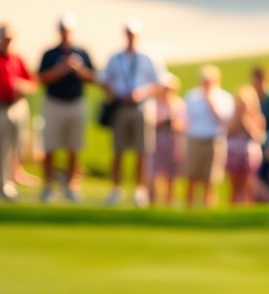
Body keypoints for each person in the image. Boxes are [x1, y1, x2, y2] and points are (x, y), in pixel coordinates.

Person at [99, 18, 166, 207]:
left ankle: (140, 190)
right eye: (128, 33)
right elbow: (104, 80)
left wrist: (142, 92)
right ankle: (116, 189)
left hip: (142, 108)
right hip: (121, 107)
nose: (131, 37)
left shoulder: (149, 56)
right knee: (118, 150)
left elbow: (160, 83)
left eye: (133, 34)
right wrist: (116, 92)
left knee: (142, 151)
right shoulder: (115, 57)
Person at [37, 13, 95, 202]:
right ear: (59, 30)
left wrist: (77, 69)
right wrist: (61, 69)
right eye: (62, 30)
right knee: (50, 146)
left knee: (74, 147)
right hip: (54, 103)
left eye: (68, 30)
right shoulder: (50, 53)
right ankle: (48, 186)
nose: (65, 33)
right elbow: (40, 79)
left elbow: (93, 78)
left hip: (75, 103)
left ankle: (71, 185)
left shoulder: (82, 52)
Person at [182, 64, 234, 209]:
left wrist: (211, 103)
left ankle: (207, 212)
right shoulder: (191, 96)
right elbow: (185, 120)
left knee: (210, 181)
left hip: (214, 142)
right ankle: (189, 211)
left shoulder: (224, 97)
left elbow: (225, 120)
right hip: (194, 140)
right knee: (191, 178)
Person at [0, 24, 36, 202]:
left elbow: (32, 83)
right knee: (2, 148)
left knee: (14, 148)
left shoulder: (17, 59)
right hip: (0, 107)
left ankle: (8, 183)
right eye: (4, 38)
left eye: (9, 39)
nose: (7, 42)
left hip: (15, 107)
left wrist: (23, 87)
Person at [147, 74, 185, 206]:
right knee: (153, 174)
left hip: (173, 143)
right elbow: (151, 122)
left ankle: (168, 203)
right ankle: (152, 203)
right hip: (156, 142)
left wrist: (174, 122)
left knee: (171, 175)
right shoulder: (153, 103)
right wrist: (163, 119)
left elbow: (184, 125)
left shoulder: (179, 104)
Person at [225, 85, 265, 206]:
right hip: (234, 154)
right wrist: (239, 117)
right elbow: (230, 132)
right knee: (235, 186)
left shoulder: (257, 116)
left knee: (248, 185)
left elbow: (258, 136)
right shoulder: (232, 117)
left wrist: (245, 119)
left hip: (249, 155)